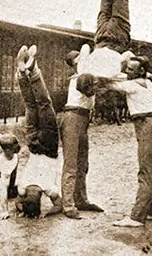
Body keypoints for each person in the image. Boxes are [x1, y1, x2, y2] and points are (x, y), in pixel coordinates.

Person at [14, 45, 63, 219]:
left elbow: (58, 205)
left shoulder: (48, 188)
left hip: (46, 148)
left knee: (43, 103)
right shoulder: (22, 187)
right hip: (35, 144)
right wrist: (22, 209)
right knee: (33, 105)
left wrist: (47, 212)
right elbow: (18, 203)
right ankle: (22, 73)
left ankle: (32, 70)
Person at [104, 56, 152, 227]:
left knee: (146, 171)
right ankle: (149, 210)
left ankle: (136, 217)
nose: (126, 71)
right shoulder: (147, 82)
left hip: (146, 125)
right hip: (147, 123)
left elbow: (110, 85)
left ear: (140, 71)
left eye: (130, 69)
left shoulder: (132, 85)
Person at [60, 46, 104, 220]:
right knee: (71, 163)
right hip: (73, 117)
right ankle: (68, 205)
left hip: (84, 118)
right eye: (78, 60)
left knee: (83, 162)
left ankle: (81, 199)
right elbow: (86, 49)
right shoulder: (79, 78)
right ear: (74, 64)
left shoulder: (87, 75)